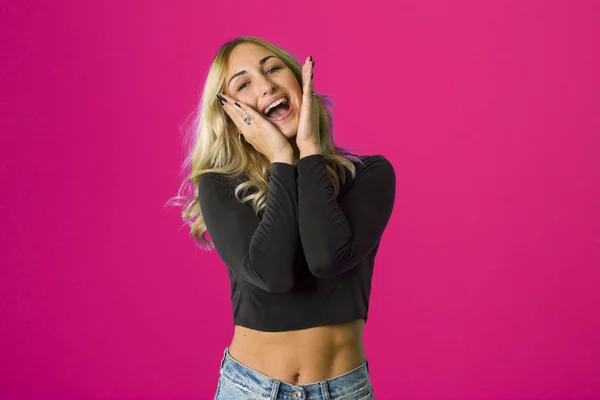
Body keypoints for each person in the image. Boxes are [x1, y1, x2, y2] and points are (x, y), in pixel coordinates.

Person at [179, 36, 395, 400]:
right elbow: (273, 274)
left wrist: (308, 149)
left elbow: (327, 257)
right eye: (244, 84)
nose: (266, 86)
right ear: (232, 114)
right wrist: (281, 156)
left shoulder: (368, 174)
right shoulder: (221, 186)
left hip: (344, 390)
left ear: (301, 82)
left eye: (273, 68)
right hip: (249, 389)